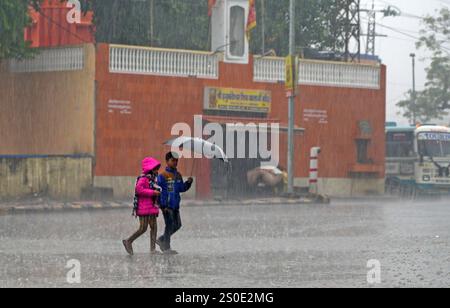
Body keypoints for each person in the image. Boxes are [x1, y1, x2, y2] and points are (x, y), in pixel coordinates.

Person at [123, 157, 162, 256]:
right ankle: (128, 241)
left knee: (154, 227)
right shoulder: (144, 178)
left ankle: (153, 249)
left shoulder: (153, 179)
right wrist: (153, 192)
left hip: (152, 207)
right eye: (155, 168)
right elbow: (138, 189)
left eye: (157, 168)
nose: (157, 170)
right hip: (144, 207)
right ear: (150, 168)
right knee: (143, 228)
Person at [157, 152, 193, 254]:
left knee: (177, 225)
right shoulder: (162, 176)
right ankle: (166, 247)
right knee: (169, 225)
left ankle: (161, 239)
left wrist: (188, 183)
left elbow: (181, 188)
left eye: (177, 160)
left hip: (175, 205)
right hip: (167, 206)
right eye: (173, 160)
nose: (175, 162)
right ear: (167, 161)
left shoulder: (178, 175)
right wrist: (161, 205)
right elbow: (158, 190)